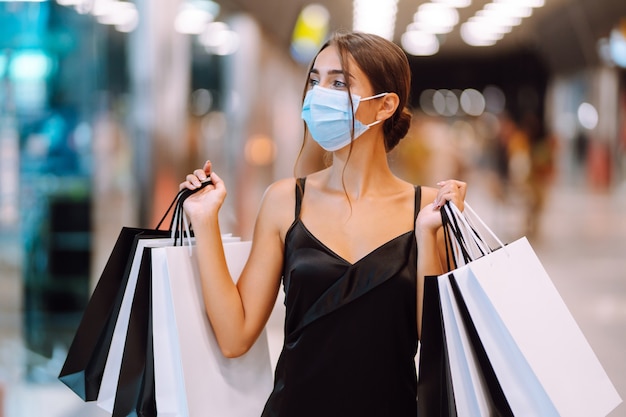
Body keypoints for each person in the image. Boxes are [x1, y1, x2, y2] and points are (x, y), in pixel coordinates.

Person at [180, 31, 466, 417]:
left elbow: (432, 340)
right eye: (315, 80)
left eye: (338, 83)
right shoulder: (286, 201)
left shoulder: (428, 208)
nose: (318, 94)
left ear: (384, 106)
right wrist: (204, 220)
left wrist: (427, 233)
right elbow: (235, 336)